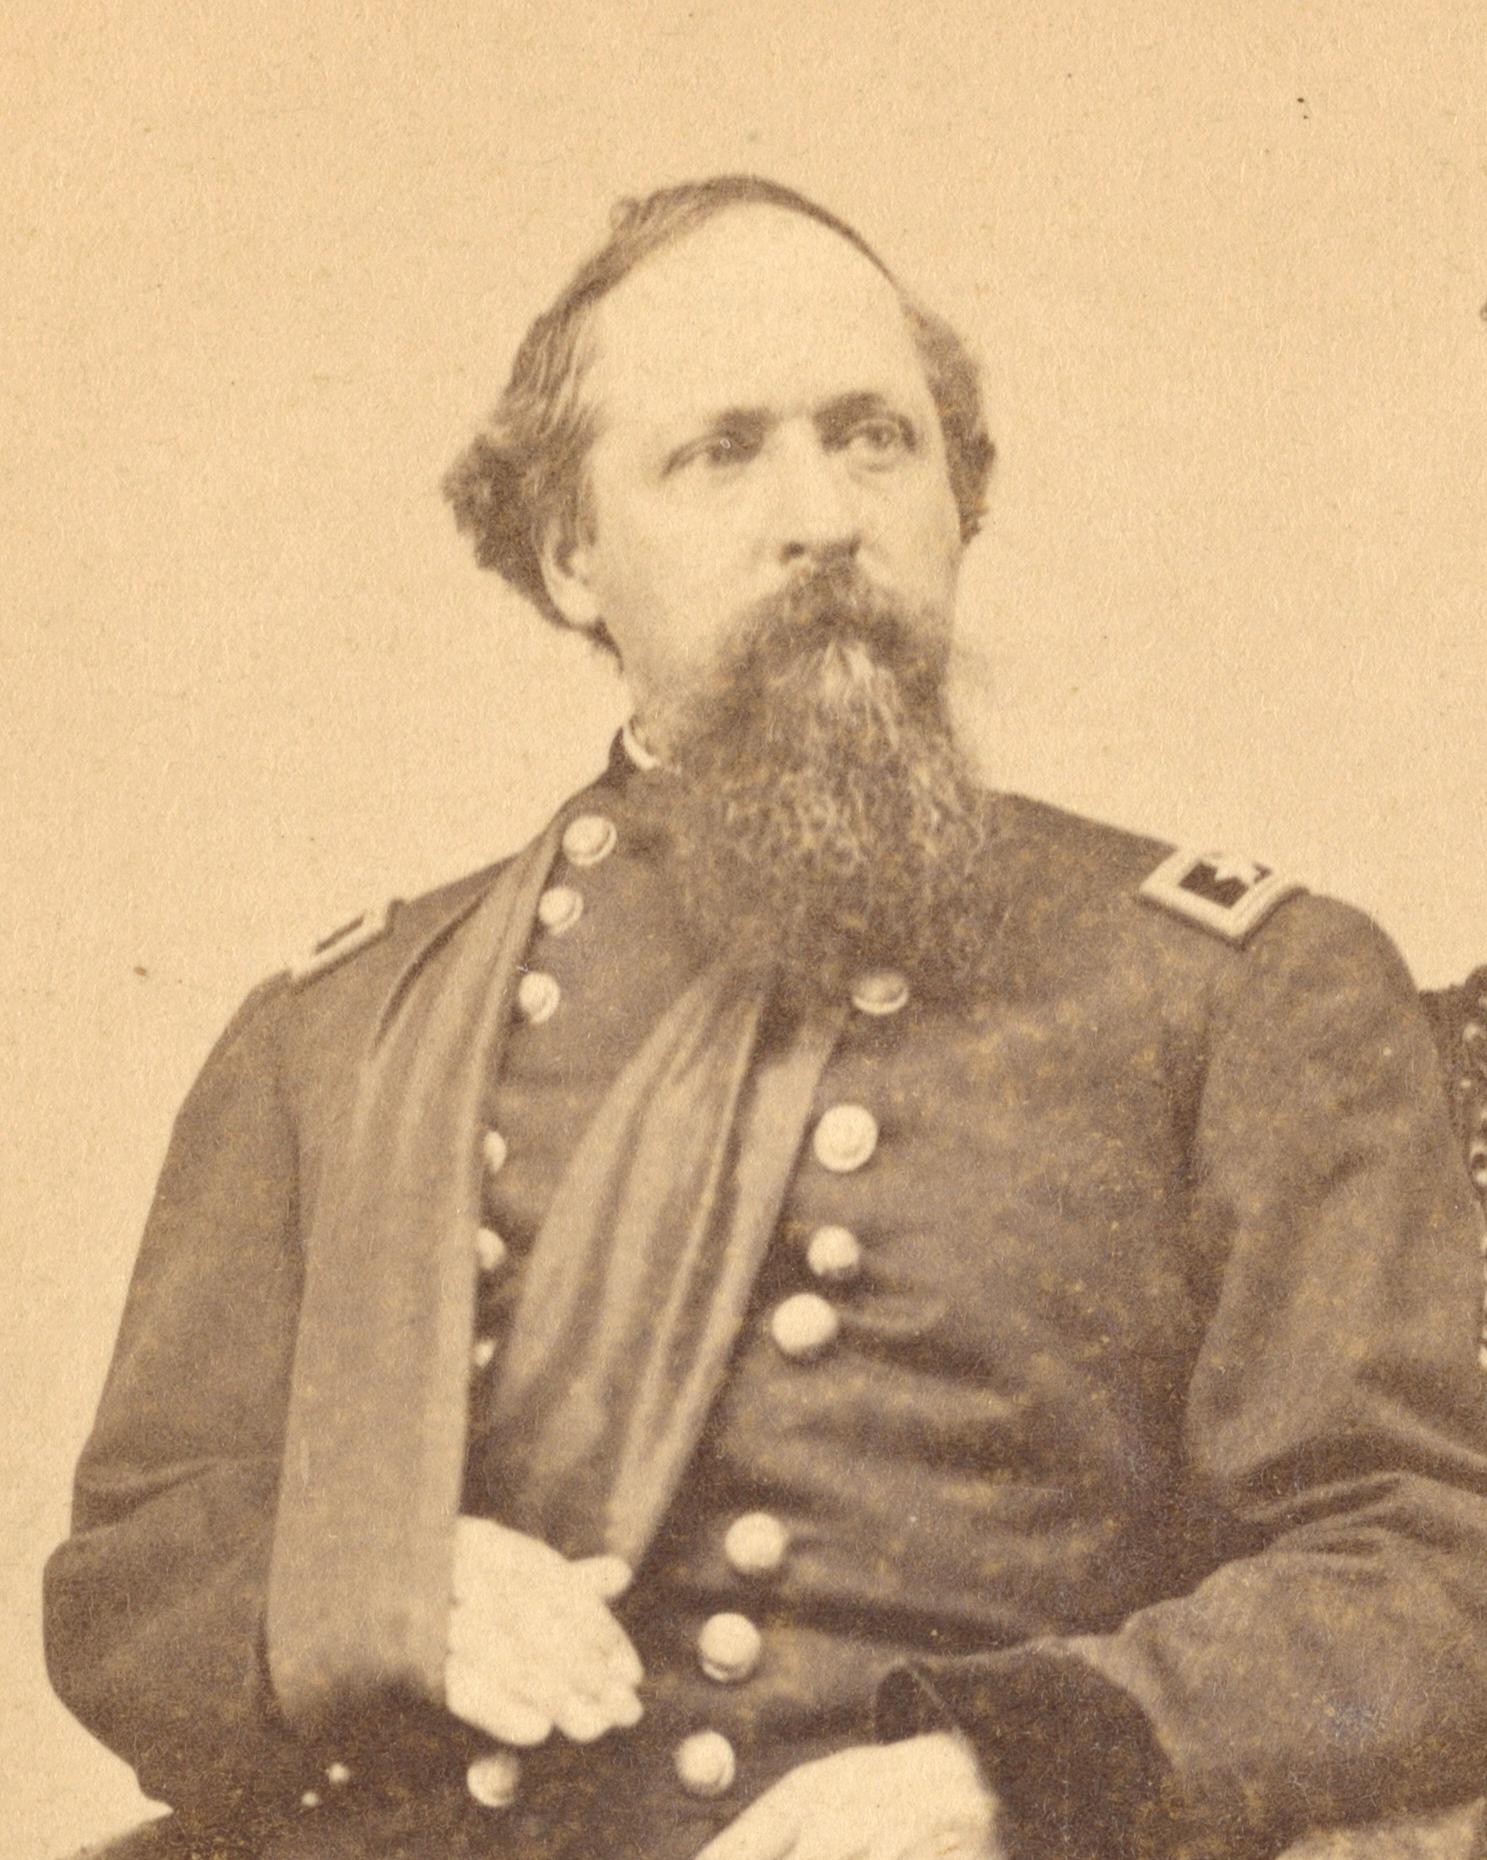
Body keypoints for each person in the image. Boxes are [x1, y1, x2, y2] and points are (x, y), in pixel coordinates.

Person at [45, 176, 1487, 1860]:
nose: (824, 514)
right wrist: (371, 1586)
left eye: (876, 440)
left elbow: (1429, 1559)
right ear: (571, 556)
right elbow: (134, 1573)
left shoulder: (1238, 991)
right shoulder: (337, 1031)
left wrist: (1009, 1775)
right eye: (720, 452)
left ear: (965, 500)